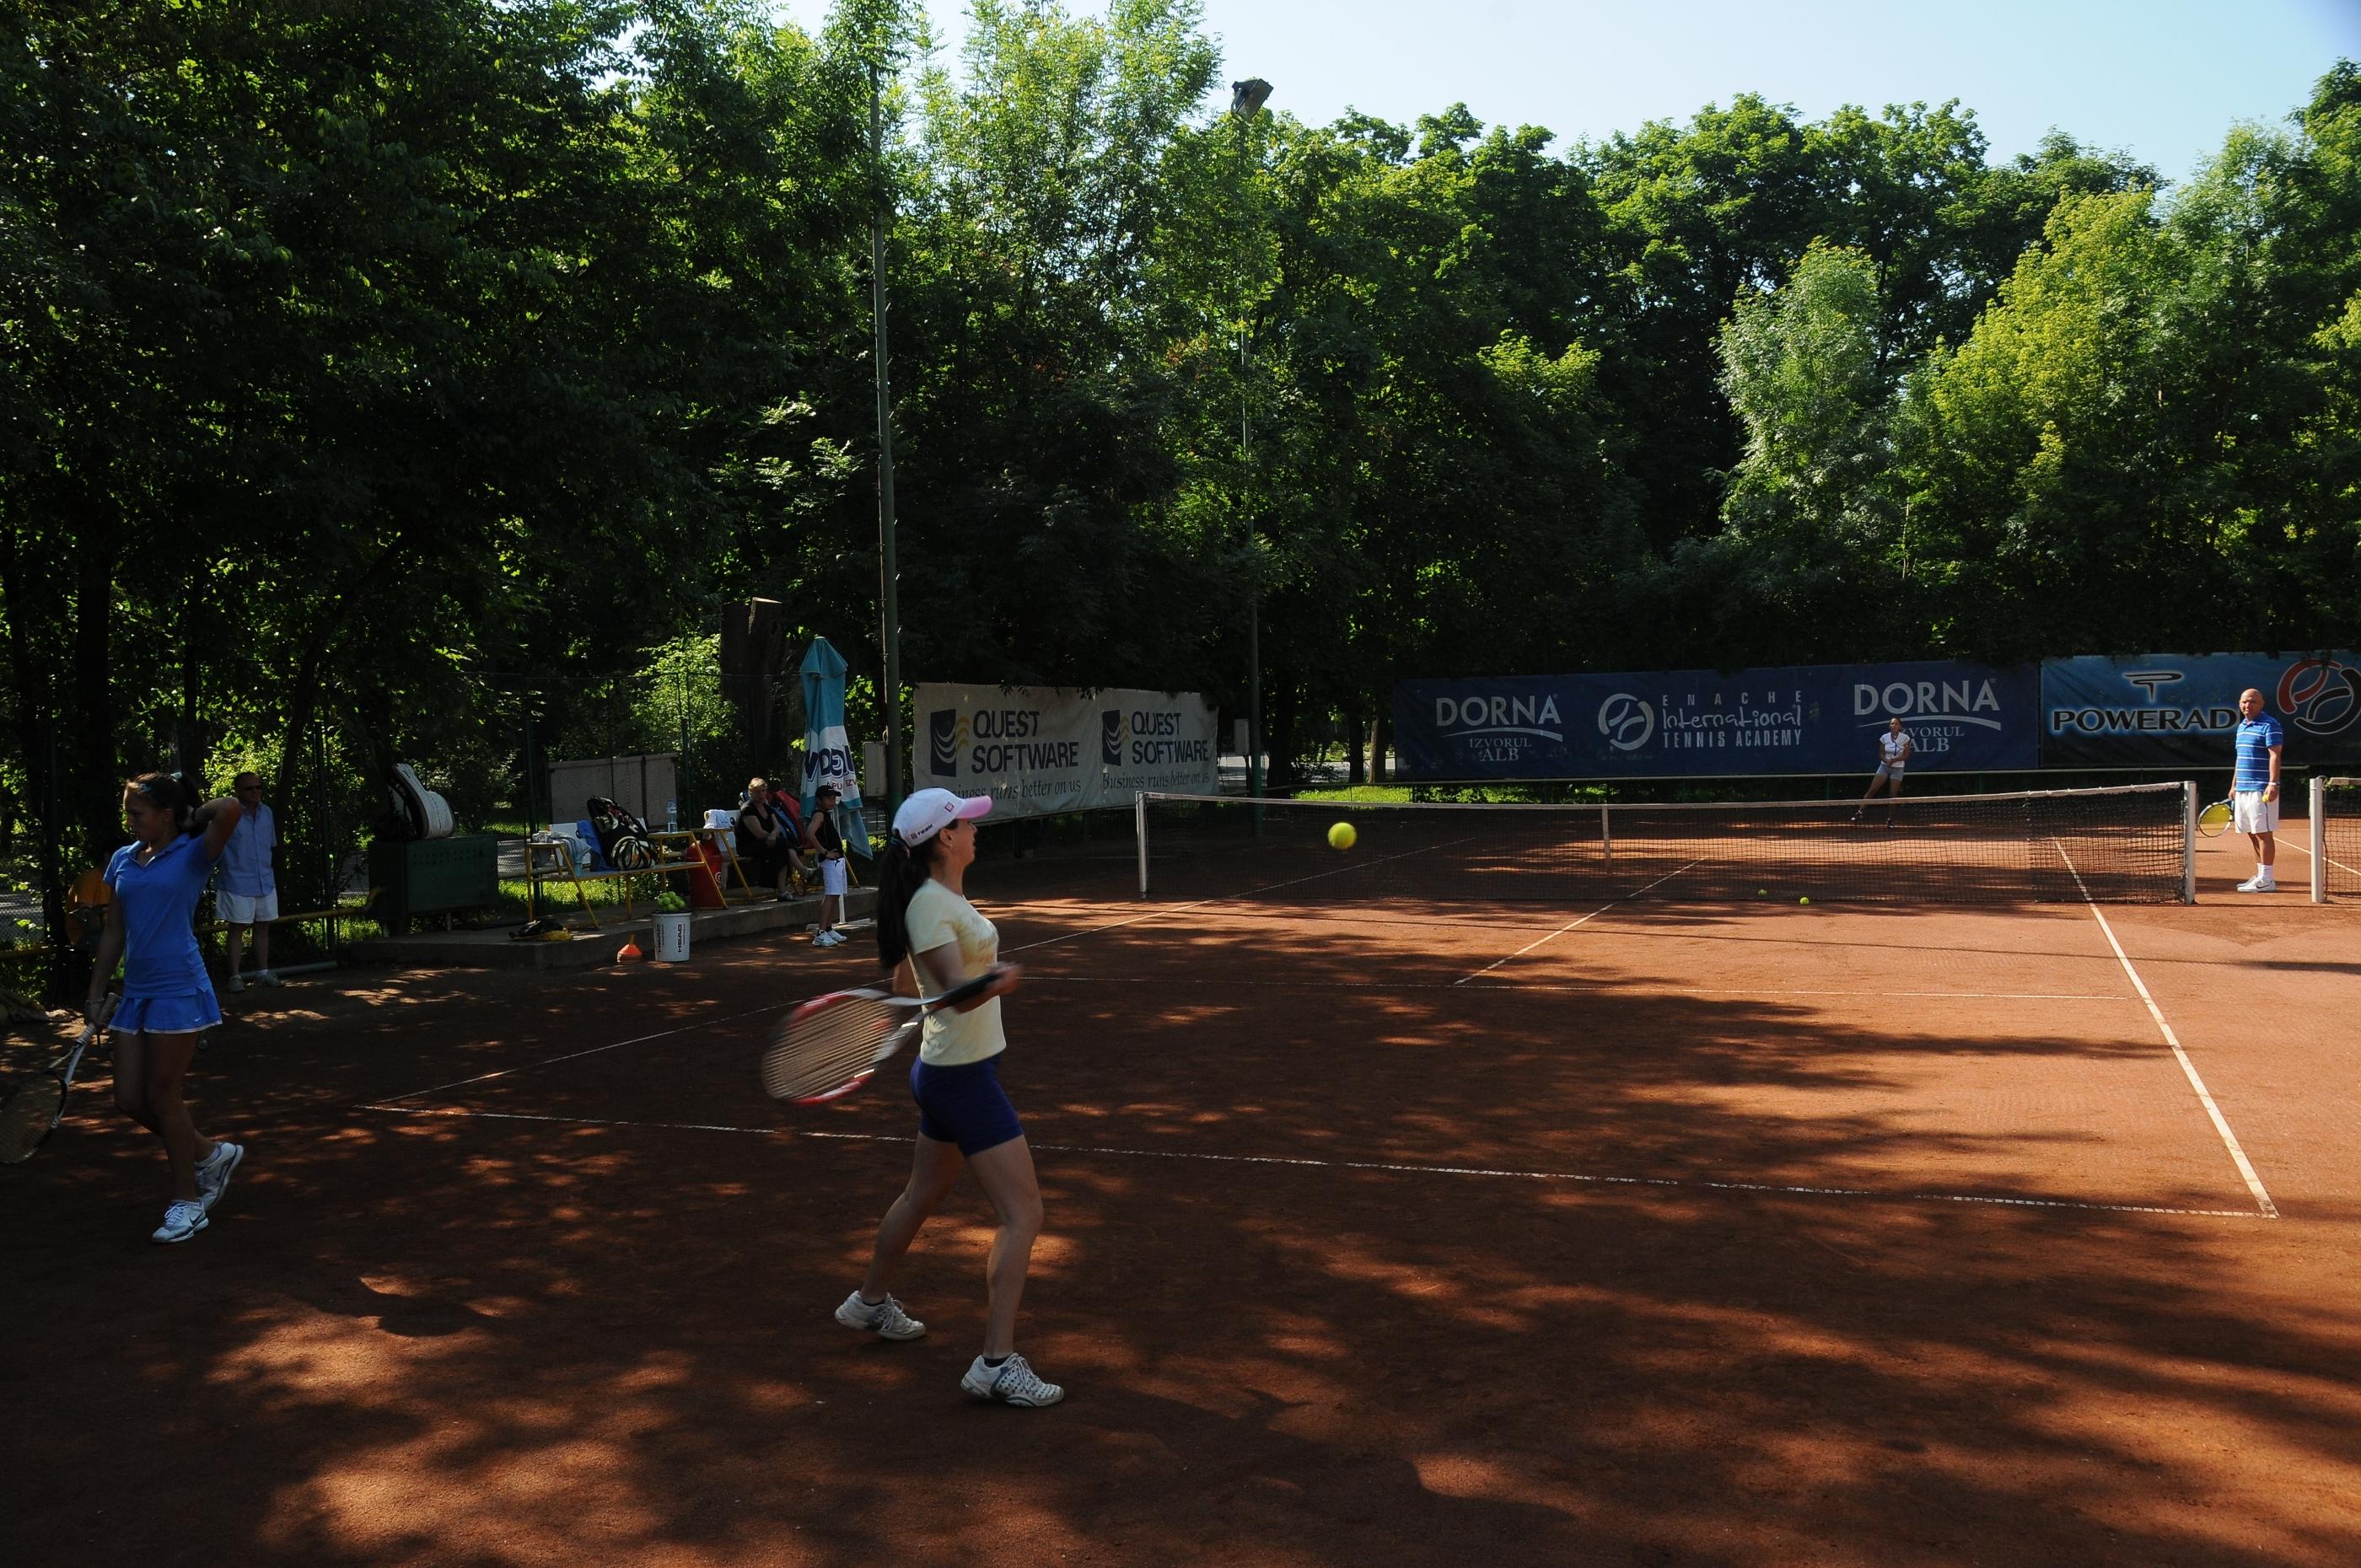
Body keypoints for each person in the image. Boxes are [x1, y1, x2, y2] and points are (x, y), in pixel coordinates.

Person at [833, 787, 1057, 1408]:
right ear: (943, 839)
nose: (976, 829)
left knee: (923, 1193)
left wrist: (941, 987)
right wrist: (997, 979)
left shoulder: (938, 899)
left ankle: (868, 1303)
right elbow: (958, 991)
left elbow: (907, 979)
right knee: (1024, 1215)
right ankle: (995, 1364)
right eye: (966, 822)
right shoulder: (931, 905)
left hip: (950, 1069)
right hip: (962, 1079)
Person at [87, 773, 246, 1243]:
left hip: (179, 989)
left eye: (137, 813)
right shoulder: (122, 860)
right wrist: (95, 993)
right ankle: (210, 1154)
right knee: (127, 1100)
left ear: (166, 815)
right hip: (136, 993)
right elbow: (114, 932)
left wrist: (191, 819)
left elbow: (231, 808)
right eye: (128, 812)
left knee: (162, 1096)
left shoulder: (194, 854)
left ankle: (188, 1202)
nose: (129, 821)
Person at [218, 771, 281, 991]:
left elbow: (270, 845)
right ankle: (235, 977)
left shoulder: (267, 813)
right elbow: (216, 845)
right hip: (237, 879)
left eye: (258, 787)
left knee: (263, 926)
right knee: (237, 928)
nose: (255, 792)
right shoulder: (228, 814)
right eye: (249, 788)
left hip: (265, 879)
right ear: (237, 791)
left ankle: (262, 973)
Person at [2232, 687, 2283, 893]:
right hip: (2242, 788)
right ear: (2240, 703)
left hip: (2260, 788)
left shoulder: (2270, 725)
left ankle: (2268, 879)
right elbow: (2239, 758)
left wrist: (2273, 783)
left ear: (2261, 704)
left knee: (2263, 834)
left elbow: (2275, 755)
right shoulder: (2242, 727)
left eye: (2253, 702)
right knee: (2252, 833)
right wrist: (2234, 785)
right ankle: (2261, 875)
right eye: (2244, 701)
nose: (2248, 705)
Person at [734, 777, 806, 900]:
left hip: (768, 842)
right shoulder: (748, 809)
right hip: (749, 845)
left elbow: (777, 826)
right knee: (783, 845)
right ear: (750, 793)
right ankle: (800, 874)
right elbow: (759, 833)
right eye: (757, 792)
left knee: (782, 846)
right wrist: (773, 836)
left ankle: (784, 890)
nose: (761, 794)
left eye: (763, 791)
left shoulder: (767, 807)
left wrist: (773, 835)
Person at [1850, 717, 1913, 824]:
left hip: (1898, 768)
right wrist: (1886, 761)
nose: (1894, 726)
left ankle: (1890, 820)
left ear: (1900, 726)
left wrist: (1895, 760)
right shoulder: (1884, 738)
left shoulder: (1905, 738)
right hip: (1884, 767)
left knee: (1893, 794)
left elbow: (1907, 755)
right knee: (1873, 789)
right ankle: (1860, 812)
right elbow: (1880, 753)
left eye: (1896, 724)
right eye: (1892, 724)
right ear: (1890, 726)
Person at [807, 783, 848, 947]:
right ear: (819, 800)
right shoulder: (819, 815)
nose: (832, 801)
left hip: (837, 860)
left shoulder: (825, 814)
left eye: (833, 798)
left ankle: (829, 928)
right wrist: (825, 852)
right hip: (831, 861)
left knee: (835, 895)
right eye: (828, 798)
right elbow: (809, 834)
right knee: (831, 895)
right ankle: (821, 932)